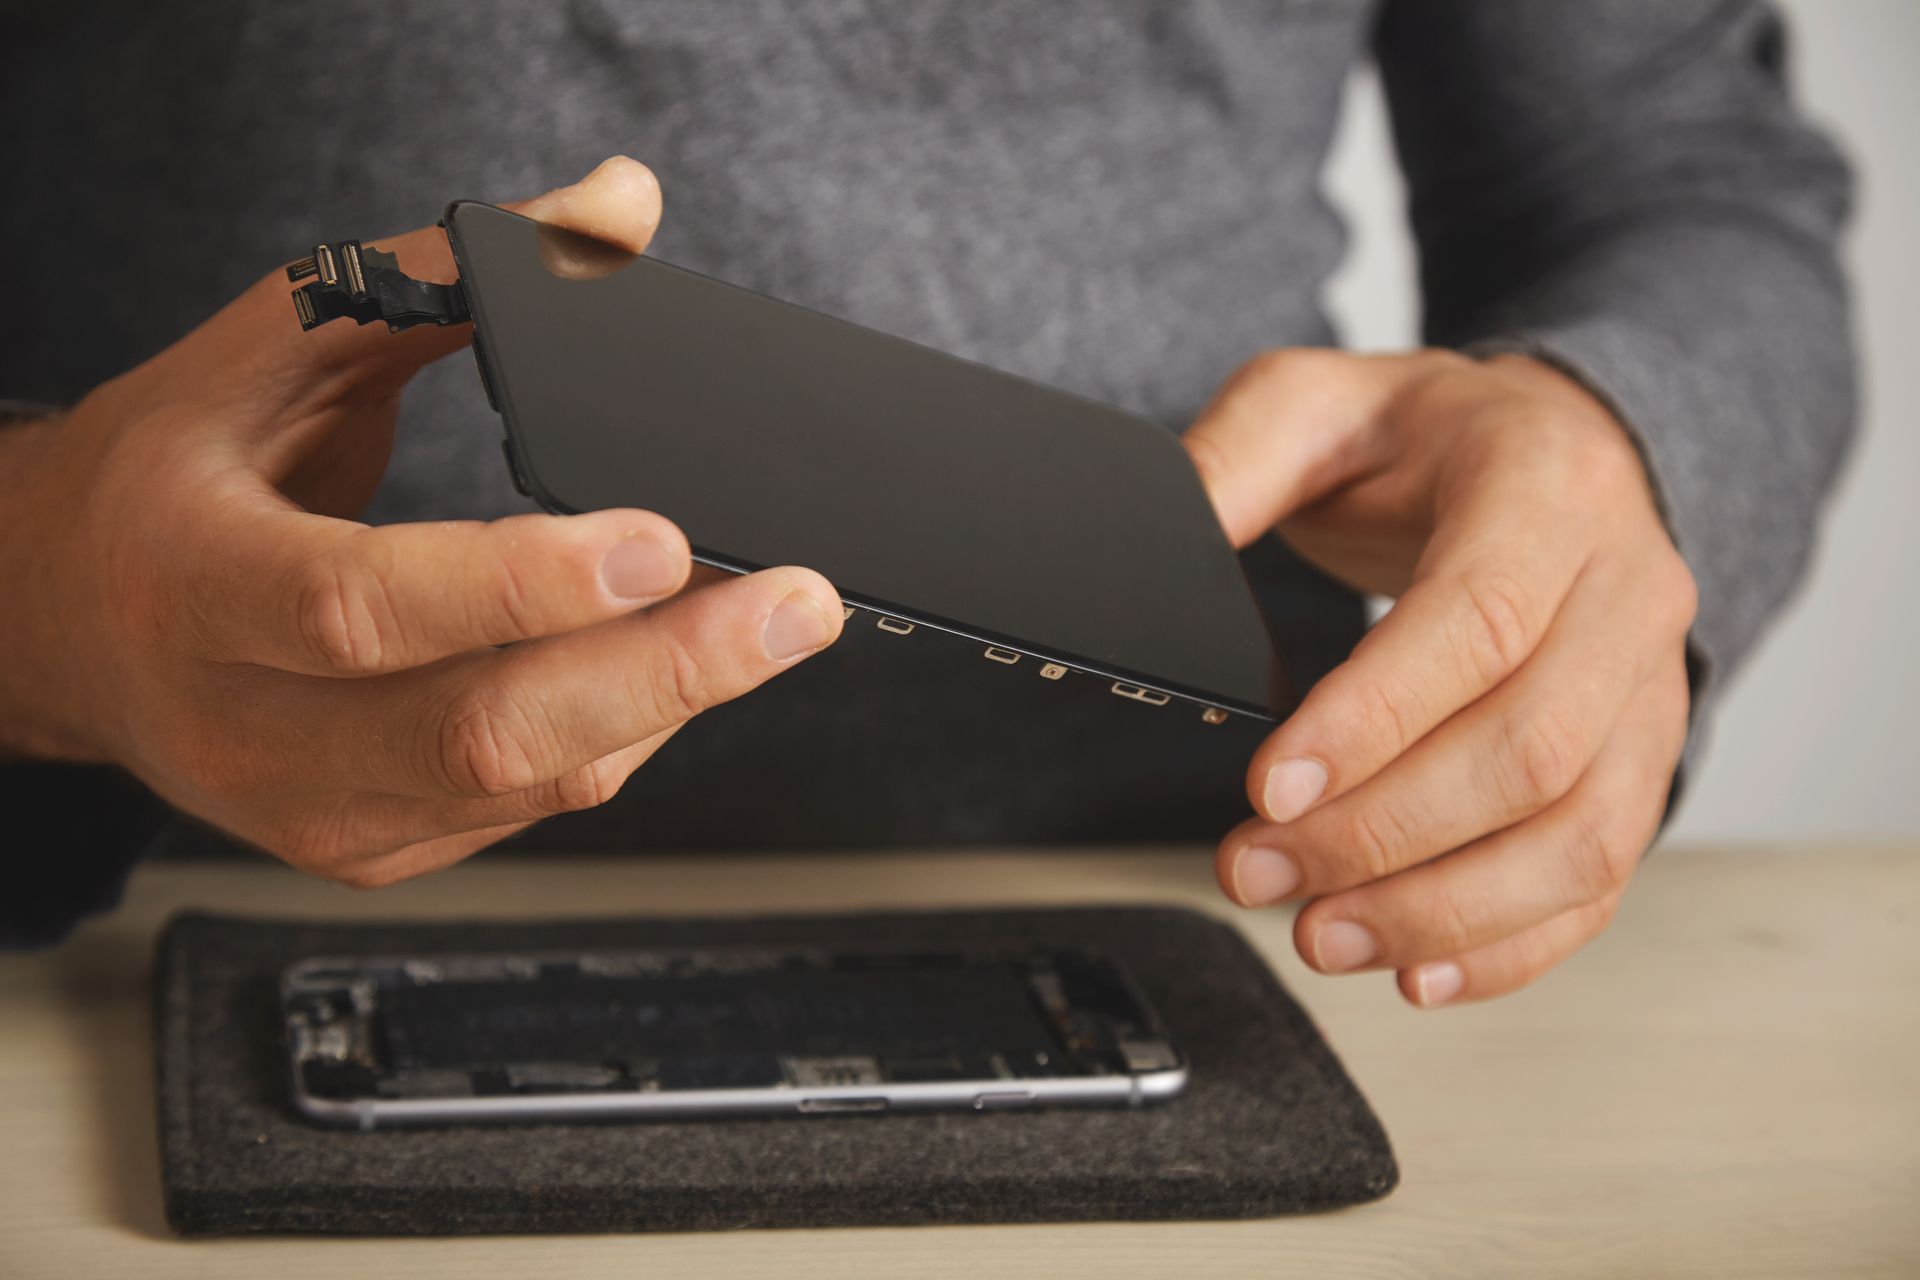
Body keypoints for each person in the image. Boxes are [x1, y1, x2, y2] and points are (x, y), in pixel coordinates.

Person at [0, 3, 1853, 1008]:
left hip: (1238, 925)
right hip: (125, 950)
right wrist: (39, 589)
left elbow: (1674, 167)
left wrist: (1623, 436)